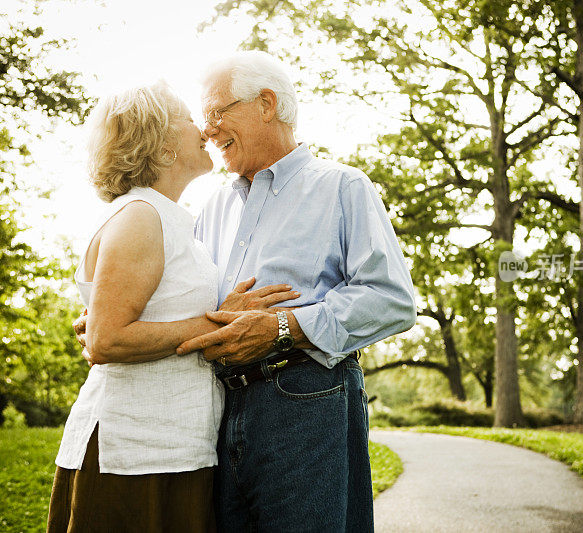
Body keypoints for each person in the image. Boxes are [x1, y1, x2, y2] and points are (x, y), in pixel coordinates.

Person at [174, 51, 417, 532]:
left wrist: (283, 327)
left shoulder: (343, 186)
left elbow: (391, 299)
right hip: (217, 409)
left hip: (306, 398)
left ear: (266, 104)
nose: (206, 129)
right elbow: (194, 304)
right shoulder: (210, 208)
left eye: (216, 112)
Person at [47, 81, 298, 532]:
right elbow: (106, 340)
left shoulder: (168, 219)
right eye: (188, 119)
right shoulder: (141, 216)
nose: (203, 128)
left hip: (174, 446)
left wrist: (221, 313)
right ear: (162, 148)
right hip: (132, 453)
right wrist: (219, 322)